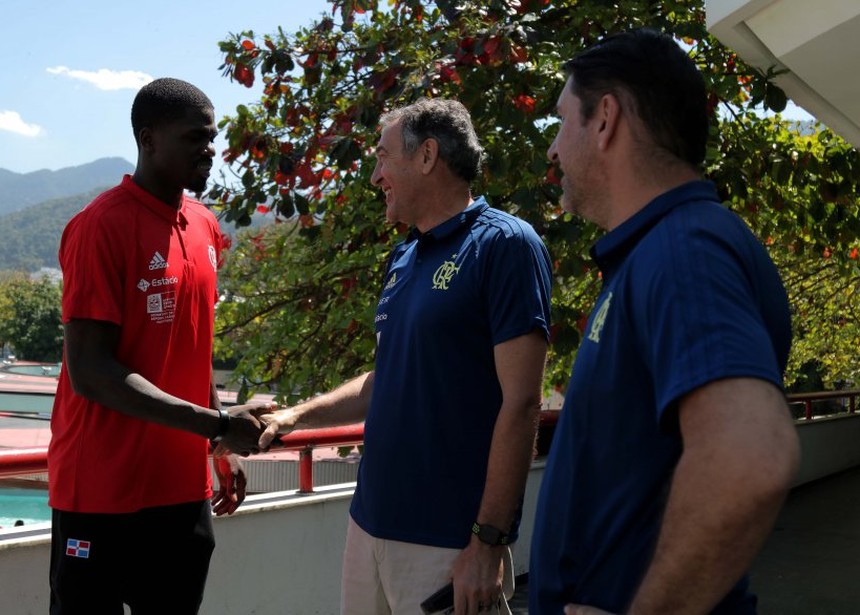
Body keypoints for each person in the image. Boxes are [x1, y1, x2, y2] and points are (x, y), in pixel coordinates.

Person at [528, 29, 800, 614]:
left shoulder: (683, 249)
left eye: (559, 121)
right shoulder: (660, 250)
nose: (552, 148)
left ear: (604, 119)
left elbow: (750, 458)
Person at [254, 98, 554, 614]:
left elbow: (523, 403)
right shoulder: (406, 254)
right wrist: (295, 415)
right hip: (368, 524)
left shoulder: (505, 245)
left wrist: (489, 541)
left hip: (447, 541)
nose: (375, 177)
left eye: (383, 157)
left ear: (427, 155)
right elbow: (385, 376)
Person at [47, 77, 267, 614]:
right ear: (148, 139)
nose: (209, 150)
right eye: (194, 137)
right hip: (100, 492)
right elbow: (93, 372)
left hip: (179, 491)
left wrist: (217, 447)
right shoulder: (100, 227)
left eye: (211, 137)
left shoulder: (205, 226)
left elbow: (191, 349)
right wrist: (216, 427)